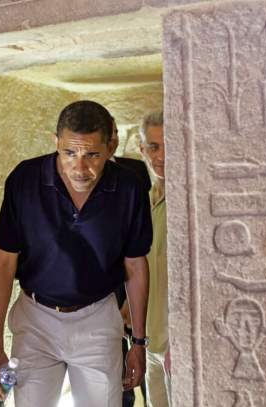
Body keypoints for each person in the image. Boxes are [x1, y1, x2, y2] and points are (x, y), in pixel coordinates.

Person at [0, 100, 153, 407]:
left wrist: (138, 343)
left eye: (92, 155)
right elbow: (4, 263)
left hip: (97, 318)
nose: (80, 167)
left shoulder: (128, 188)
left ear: (110, 147)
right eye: (69, 153)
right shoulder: (25, 180)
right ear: (56, 143)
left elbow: (135, 265)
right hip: (35, 319)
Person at [109, 117, 151, 407]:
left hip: (134, 273)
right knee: (114, 362)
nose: (112, 139)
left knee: (140, 358)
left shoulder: (134, 171)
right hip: (105, 284)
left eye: (115, 133)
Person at [138, 111, 171, 407]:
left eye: (168, 145)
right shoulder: (145, 204)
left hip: (178, 345)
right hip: (150, 344)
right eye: (154, 147)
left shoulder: (188, 204)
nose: (161, 156)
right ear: (142, 150)